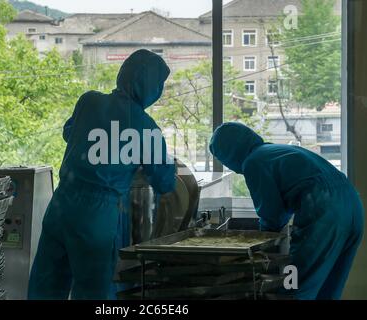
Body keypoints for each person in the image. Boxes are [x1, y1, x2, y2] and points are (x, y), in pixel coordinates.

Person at [27, 49, 176, 300]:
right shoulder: (146, 127)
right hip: (96, 214)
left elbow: (69, 133)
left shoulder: (89, 100)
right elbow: (164, 181)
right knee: (94, 291)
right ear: (151, 87)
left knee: (47, 284)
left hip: (61, 203)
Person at [209, 122, 364, 300]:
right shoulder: (275, 151)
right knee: (329, 288)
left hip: (323, 208)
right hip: (353, 204)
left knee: (295, 285)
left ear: (229, 155)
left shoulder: (254, 161)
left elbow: (272, 214)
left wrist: (260, 243)